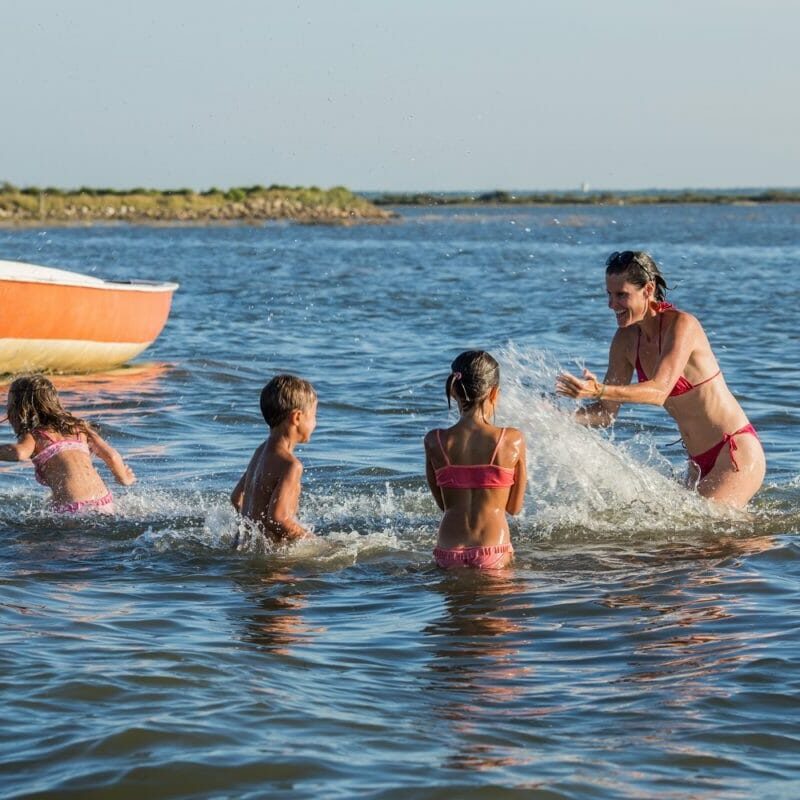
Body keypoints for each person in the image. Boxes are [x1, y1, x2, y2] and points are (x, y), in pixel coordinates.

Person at [555, 250, 765, 507]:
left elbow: (659, 391)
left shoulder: (682, 325)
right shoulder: (625, 341)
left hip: (733, 451)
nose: (612, 304)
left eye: (622, 295)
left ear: (648, 289)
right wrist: (553, 416)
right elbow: (606, 413)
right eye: (609, 295)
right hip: (696, 464)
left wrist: (599, 389)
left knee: (701, 542)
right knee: (678, 545)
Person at [424, 351, 527, 569]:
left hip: (448, 549)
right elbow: (514, 508)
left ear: (453, 391)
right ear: (494, 393)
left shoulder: (435, 440)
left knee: (455, 603)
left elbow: (444, 505)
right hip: (494, 548)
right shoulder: (512, 439)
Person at [0, 374, 136, 513]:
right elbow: (111, 456)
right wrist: (124, 478)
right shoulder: (79, 427)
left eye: (9, 404)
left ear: (20, 409)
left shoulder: (35, 435)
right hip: (104, 500)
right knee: (49, 502)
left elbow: (20, 453)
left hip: (73, 509)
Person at [231, 374, 318, 543]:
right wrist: (313, 540)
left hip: (246, 545)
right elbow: (277, 518)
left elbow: (236, 497)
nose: (315, 423)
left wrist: (249, 532)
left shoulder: (260, 451)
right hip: (272, 559)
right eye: (314, 416)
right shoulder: (291, 465)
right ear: (297, 417)